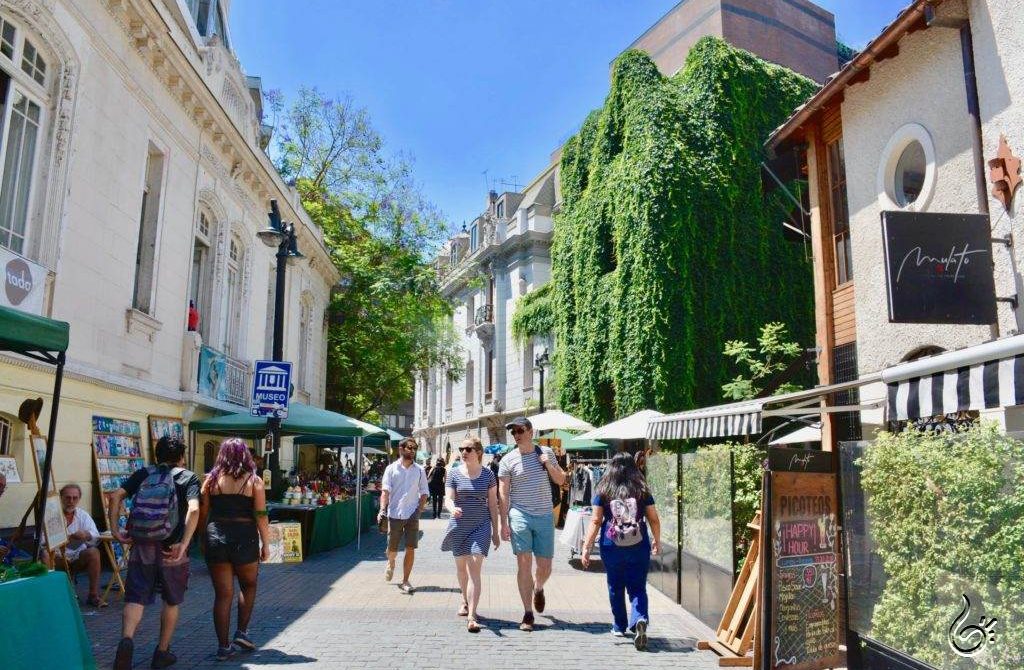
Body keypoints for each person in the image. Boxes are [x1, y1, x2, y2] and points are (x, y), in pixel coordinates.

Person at [109, 436, 201, 670]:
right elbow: (194, 509)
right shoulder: (188, 477)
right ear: (182, 457)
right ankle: (162, 652)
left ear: (156, 455)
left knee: (135, 597)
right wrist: (184, 542)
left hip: (142, 547)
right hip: (173, 550)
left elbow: (116, 496)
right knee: (171, 600)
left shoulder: (143, 474)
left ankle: (126, 641)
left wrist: (116, 531)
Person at [198, 438, 271, 661]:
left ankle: (223, 647)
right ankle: (241, 632)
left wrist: (202, 538)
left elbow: (203, 513)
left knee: (222, 595)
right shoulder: (254, 481)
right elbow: (261, 514)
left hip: (216, 537)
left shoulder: (210, 480)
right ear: (245, 456)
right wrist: (266, 543)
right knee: (248, 585)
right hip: (244, 538)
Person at [581, 452, 661, 650]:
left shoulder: (603, 490)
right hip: (638, 543)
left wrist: (586, 546)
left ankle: (619, 626)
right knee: (638, 586)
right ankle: (640, 619)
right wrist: (657, 540)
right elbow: (653, 518)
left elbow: (596, 520)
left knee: (615, 585)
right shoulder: (642, 489)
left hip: (611, 544)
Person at [498, 416, 565, 632]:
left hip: (545, 515)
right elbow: (503, 493)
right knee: (524, 563)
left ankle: (539, 587)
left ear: (530, 431)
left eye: (519, 430)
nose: (516, 435)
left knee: (545, 567)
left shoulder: (546, 453)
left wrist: (546, 462)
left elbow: (561, 480)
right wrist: (503, 522)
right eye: (513, 432)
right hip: (520, 515)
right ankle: (527, 613)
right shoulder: (507, 460)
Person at [440, 438, 499, 632]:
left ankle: (472, 616)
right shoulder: (454, 474)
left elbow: (492, 504)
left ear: (479, 452)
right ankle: (464, 599)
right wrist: (452, 508)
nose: (464, 452)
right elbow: (448, 498)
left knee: (475, 566)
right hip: (459, 525)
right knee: (461, 569)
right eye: (461, 449)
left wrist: (496, 532)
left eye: (468, 449)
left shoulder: (489, 475)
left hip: (481, 525)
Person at [378, 437, 429, 593]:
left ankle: (405, 580)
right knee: (392, 549)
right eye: (409, 447)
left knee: (410, 547)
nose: (412, 451)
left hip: (412, 514)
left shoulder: (420, 470)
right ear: (401, 449)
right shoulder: (391, 469)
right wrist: (382, 510)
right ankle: (391, 562)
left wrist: (419, 510)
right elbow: (385, 492)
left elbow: (424, 492)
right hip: (394, 513)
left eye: (414, 448)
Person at [54, 483, 103, 606]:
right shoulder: (52, 515)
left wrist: (86, 534)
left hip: (77, 556)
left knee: (94, 552)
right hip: (57, 557)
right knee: (45, 554)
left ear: (79, 499)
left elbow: (96, 536)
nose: (71, 501)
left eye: (75, 498)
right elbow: (42, 542)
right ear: (61, 498)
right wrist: (66, 539)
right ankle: (53, 595)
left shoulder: (82, 515)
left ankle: (93, 595)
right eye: (67, 497)